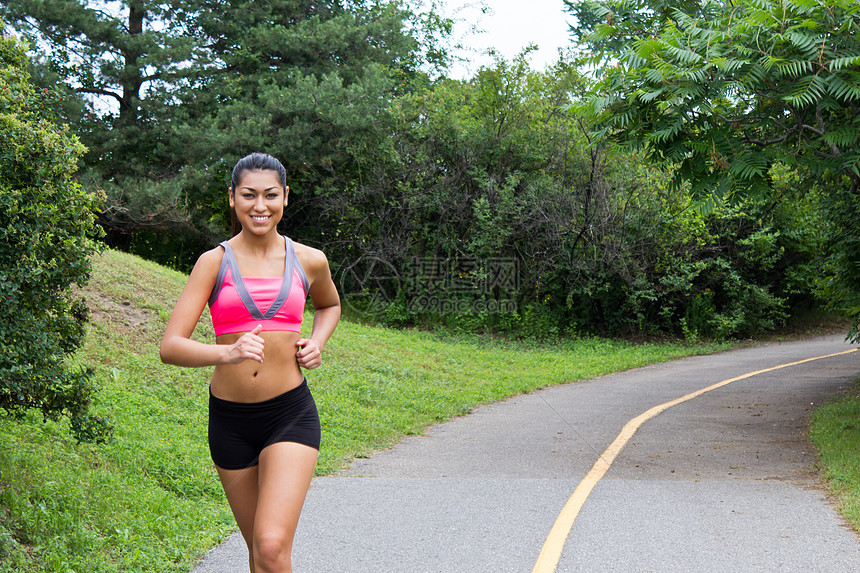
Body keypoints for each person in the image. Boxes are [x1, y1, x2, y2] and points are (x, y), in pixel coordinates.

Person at [160, 152, 340, 573]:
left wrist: (317, 341)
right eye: (249, 195)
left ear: (285, 198)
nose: (260, 206)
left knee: (272, 546)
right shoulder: (214, 262)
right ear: (232, 199)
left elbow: (329, 305)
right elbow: (170, 346)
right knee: (259, 555)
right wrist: (228, 352)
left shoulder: (309, 260)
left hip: (289, 414)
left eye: (270, 195)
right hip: (231, 423)